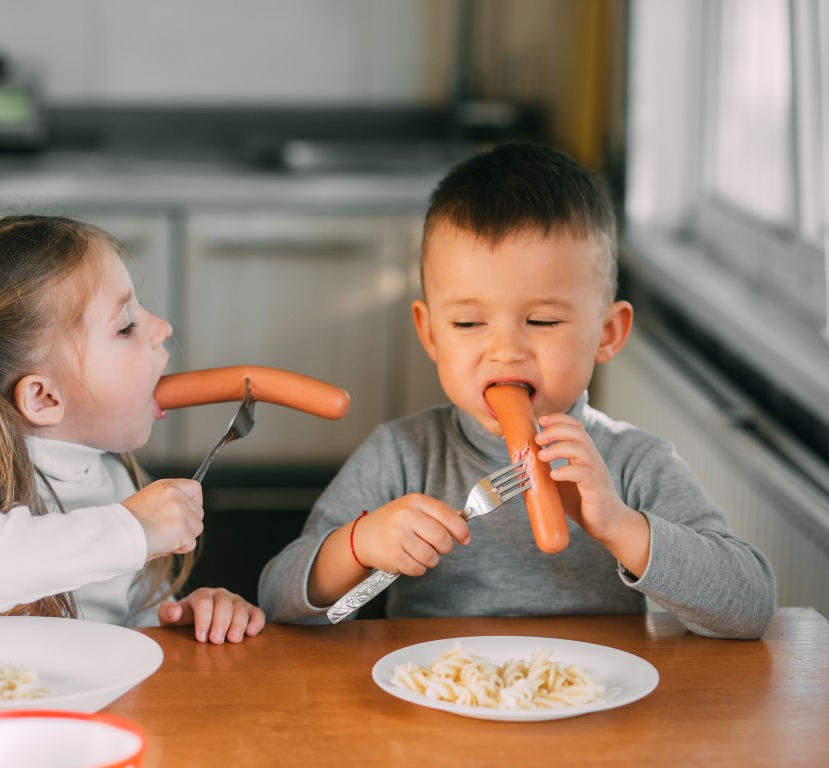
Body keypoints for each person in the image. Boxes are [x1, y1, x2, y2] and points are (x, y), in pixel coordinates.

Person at [258, 141, 776, 638]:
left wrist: (621, 527)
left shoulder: (633, 462)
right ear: (430, 333)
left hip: (589, 707)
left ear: (608, 334)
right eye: (467, 324)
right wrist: (358, 545)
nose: (505, 350)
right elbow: (277, 599)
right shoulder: (401, 455)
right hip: (441, 702)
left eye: (543, 320)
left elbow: (750, 605)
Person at [0, 214, 265, 644]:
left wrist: (180, 619)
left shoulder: (113, 478)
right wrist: (131, 529)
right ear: (45, 398)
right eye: (126, 326)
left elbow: (122, 628)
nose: (162, 329)